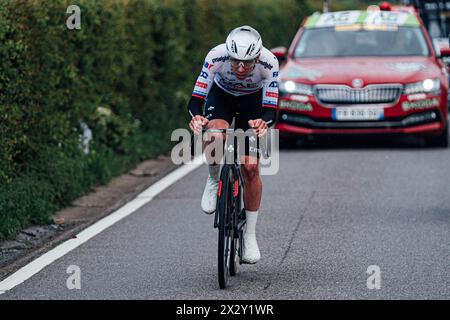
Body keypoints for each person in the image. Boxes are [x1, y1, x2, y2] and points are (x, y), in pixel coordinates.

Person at [187, 26, 279, 264]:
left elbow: (271, 109)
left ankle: (249, 235)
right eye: (235, 61)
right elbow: (196, 99)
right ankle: (213, 177)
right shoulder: (215, 56)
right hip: (222, 96)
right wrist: (196, 117)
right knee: (214, 135)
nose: (240, 68)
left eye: (247, 63)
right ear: (228, 54)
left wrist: (263, 122)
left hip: (253, 101)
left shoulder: (270, 63)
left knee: (250, 167)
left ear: (257, 57)